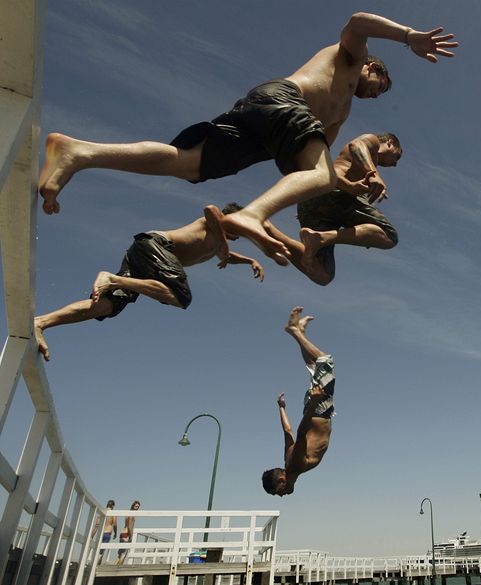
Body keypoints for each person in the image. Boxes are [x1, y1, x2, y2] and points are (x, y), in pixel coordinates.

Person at [38, 12, 457, 263]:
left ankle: (79, 152)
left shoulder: (342, 112)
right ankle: (252, 215)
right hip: (284, 101)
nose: (374, 95)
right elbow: (356, 21)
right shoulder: (352, 57)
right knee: (320, 175)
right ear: (374, 70)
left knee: (186, 163)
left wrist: (347, 184)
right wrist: (407, 36)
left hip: (265, 125)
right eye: (378, 88)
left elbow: (312, 165)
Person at [34, 204, 264, 361]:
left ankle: (41, 322)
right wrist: (224, 244)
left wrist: (250, 261)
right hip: (155, 246)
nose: (236, 237)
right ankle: (113, 279)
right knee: (181, 296)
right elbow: (210, 209)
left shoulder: (217, 244)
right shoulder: (214, 223)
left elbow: (228, 256)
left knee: (107, 306)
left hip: (144, 255)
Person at [264, 132, 401, 285]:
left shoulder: (367, 164)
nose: (395, 164)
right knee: (389, 236)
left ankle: (270, 230)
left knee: (323, 275)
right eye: (397, 156)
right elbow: (357, 146)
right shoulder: (372, 142)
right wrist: (374, 175)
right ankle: (324, 238)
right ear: (390, 143)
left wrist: (367, 236)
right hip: (333, 190)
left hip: (310, 202)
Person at [262, 307, 335, 496]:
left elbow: (301, 433)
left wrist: (313, 404)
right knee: (313, 365)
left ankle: (295, 332)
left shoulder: (295, 464)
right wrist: (281, 408)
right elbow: (287, 431)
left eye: (278, 491)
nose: (282, 494)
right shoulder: (288, 459)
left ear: (281, 479)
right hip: (314, 408)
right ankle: (301, 330)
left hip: (318, 408)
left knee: (325, 361)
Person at [92, 499, 117, 565]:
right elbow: (114, 524)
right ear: (113, 506)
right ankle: (95, 565)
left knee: (98, 550)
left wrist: (92, 535)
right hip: (107, 533)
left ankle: (97, 565)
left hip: (100, 533)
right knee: (101, 552)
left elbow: (97, 525)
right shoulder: (113, 513)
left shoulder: (101, 512)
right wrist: (115, 533)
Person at [116, 500, 140, 565]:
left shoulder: (128, 513)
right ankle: (118, 569)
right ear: (133, 506)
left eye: (138, 507)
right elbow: (129, 526)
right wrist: (131, 535)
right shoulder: (131, 514)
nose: (137, 508)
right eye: (136, 506)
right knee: (123, 554)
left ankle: (114, 567)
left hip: (123, 533)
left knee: (120, 554)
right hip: (126, 534)